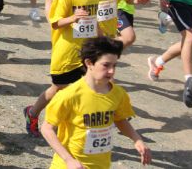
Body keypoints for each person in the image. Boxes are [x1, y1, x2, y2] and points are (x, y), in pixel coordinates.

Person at [24, 0, 102, 137]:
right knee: (58, 89)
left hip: (86, 52)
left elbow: (93, 18)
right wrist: (73, 18)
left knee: (84, 90)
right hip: (66, 52)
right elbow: (55, 22)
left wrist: (102, 37)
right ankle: (33, 113)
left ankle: (73, 128)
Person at [41, 37, 152, 168]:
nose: (111, 71)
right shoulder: (69, 95)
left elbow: (120, 119)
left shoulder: (118, 93)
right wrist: (68, 160)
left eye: (114, 65)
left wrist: (137, 139)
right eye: (106, 65)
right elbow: (47, 128)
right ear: (89, 63)